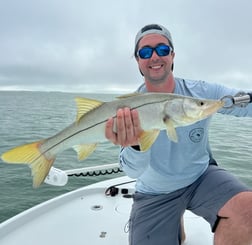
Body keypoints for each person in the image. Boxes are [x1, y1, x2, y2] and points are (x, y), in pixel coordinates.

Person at [105, 24, 252, 245]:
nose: (154, 56)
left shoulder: (200, 93)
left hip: (201, 177)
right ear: (138, 61)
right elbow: (133, 170)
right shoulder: (128, 109)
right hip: (155, 191)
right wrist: (135, 146)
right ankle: (174, 223)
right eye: (145, 52)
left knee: (248, 212)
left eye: (162, 49)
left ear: (172, 54)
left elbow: (243, 103)